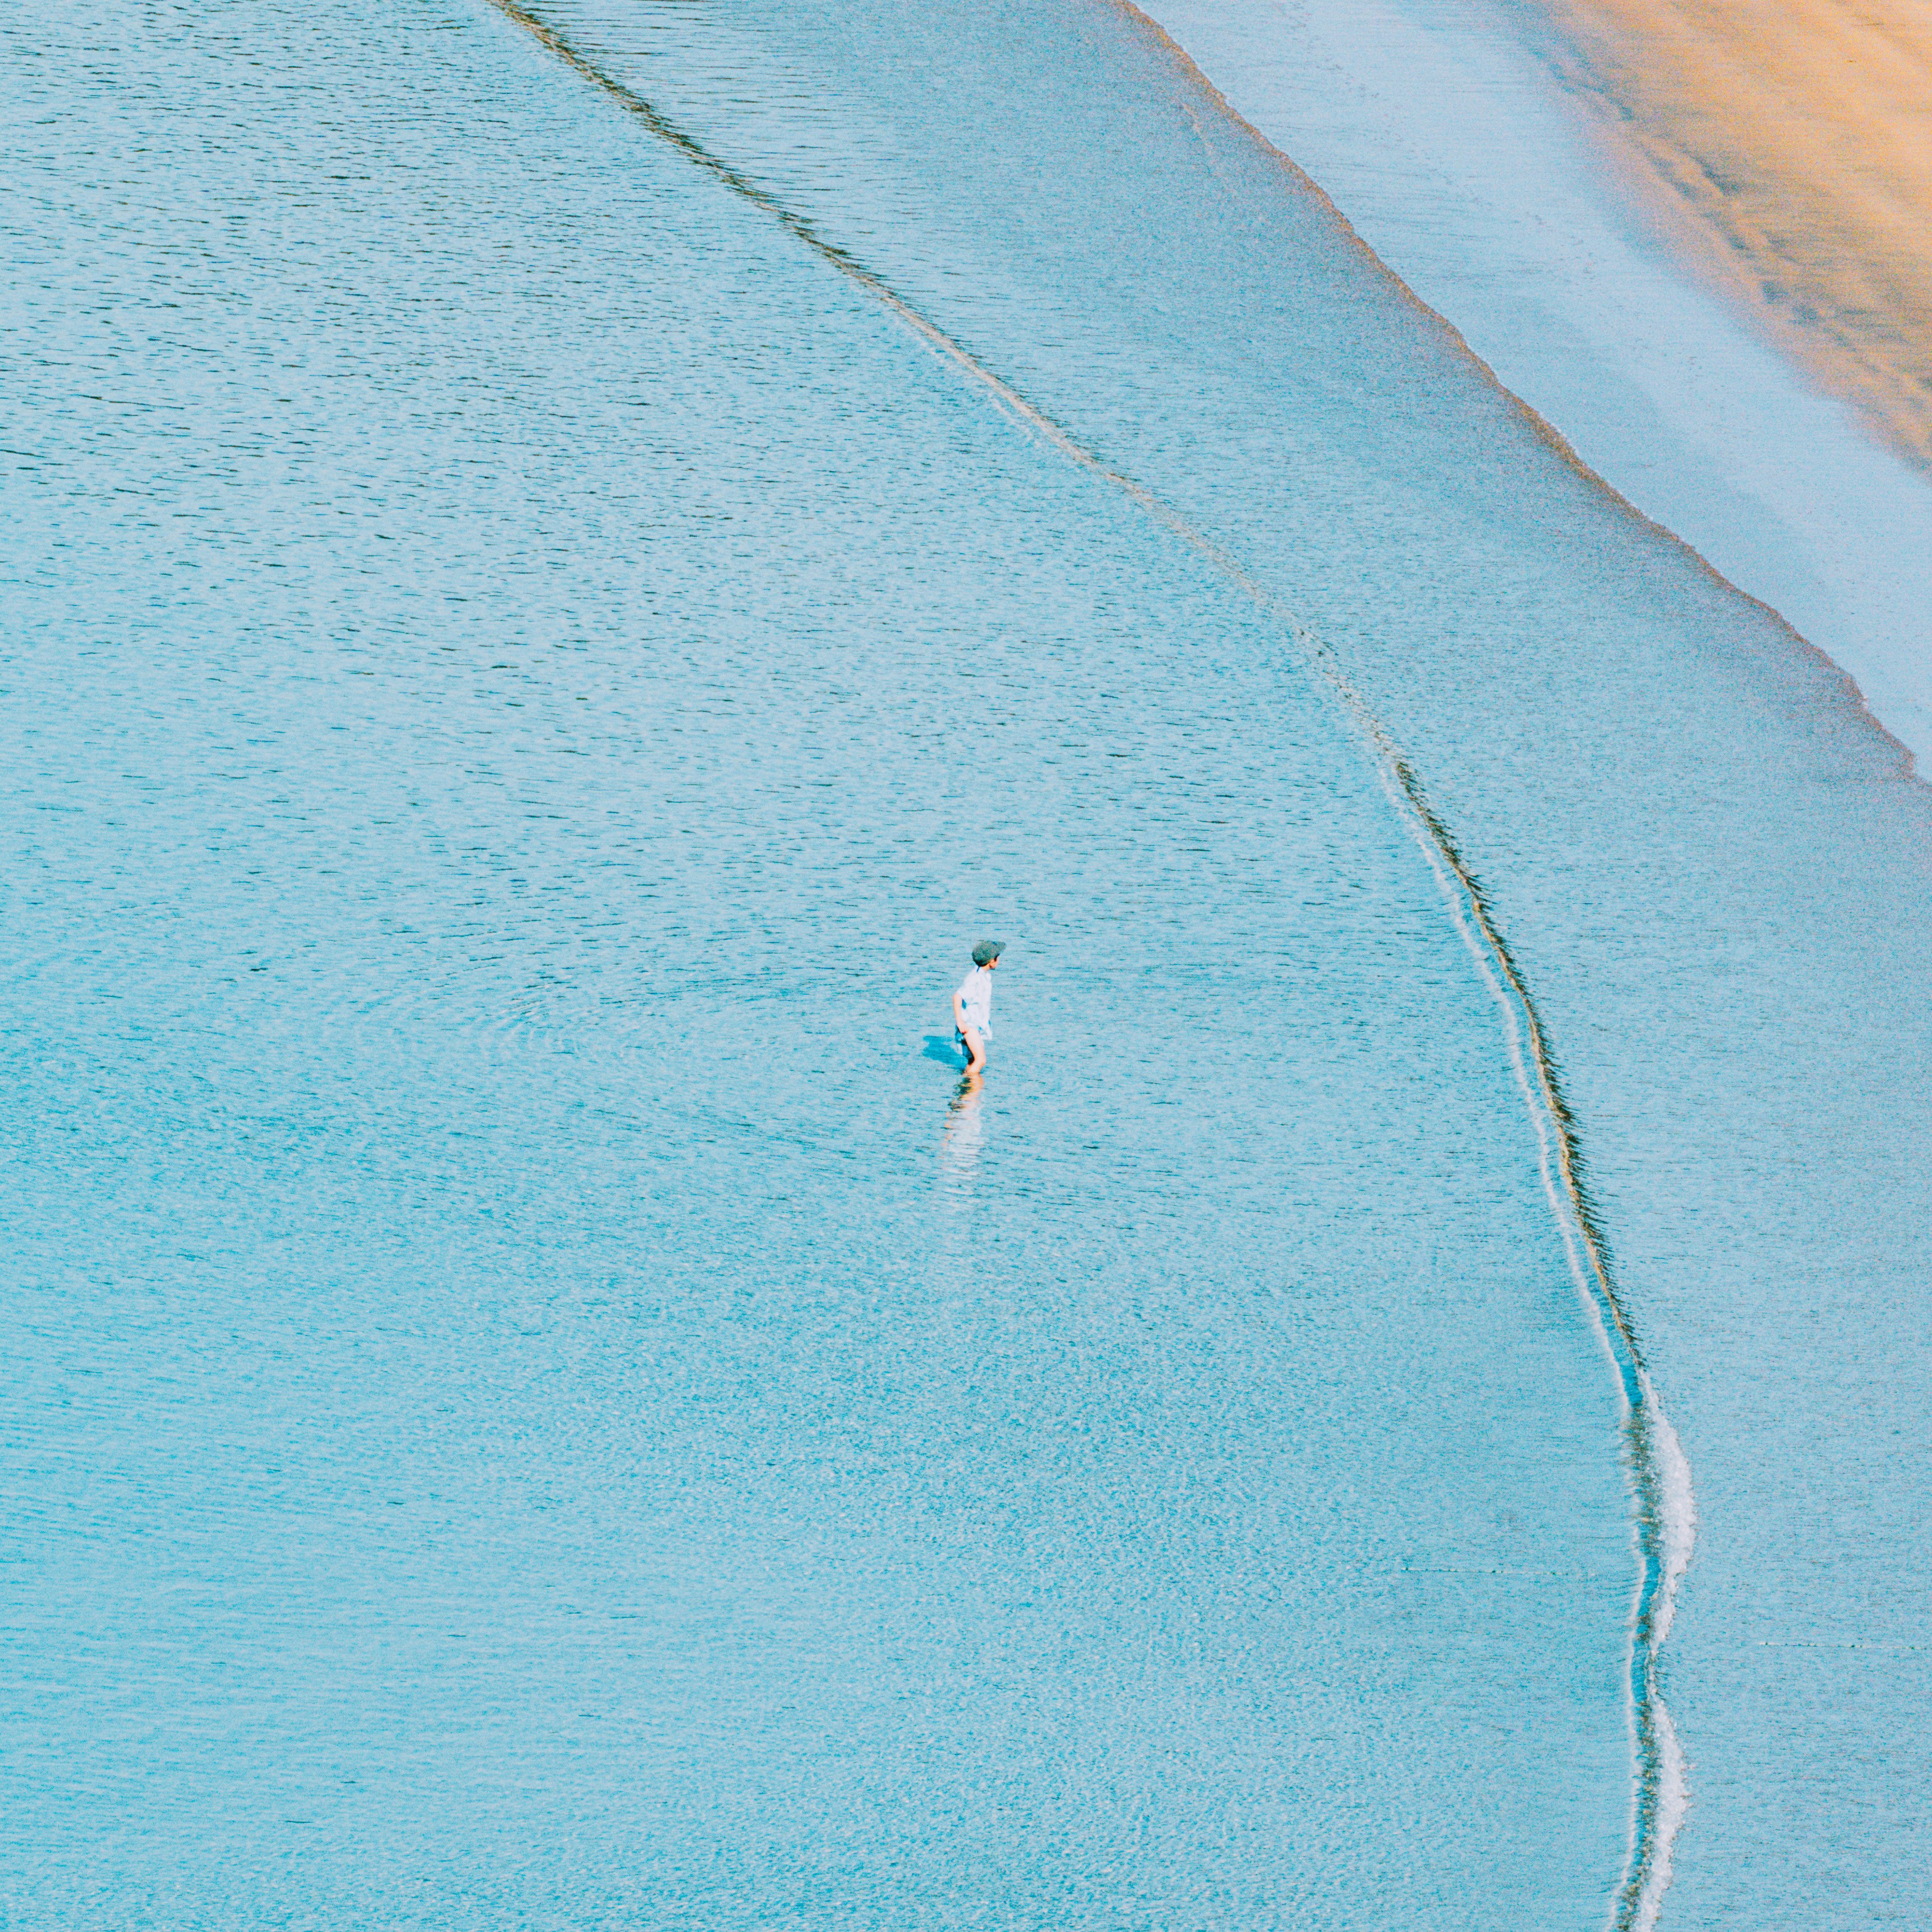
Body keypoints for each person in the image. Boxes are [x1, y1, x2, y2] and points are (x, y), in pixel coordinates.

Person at [952, 939, 1004, 1078]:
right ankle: (970, 1087)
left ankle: (965, 1096)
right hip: (969, 1025)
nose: (999, 961)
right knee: (981, 1060)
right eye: (998, 958)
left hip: (975, 1024)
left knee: (973, 1061)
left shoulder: (983, 976)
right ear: (992, 961)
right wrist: (960, 1022)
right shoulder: (975, 979)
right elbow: (958, 997)